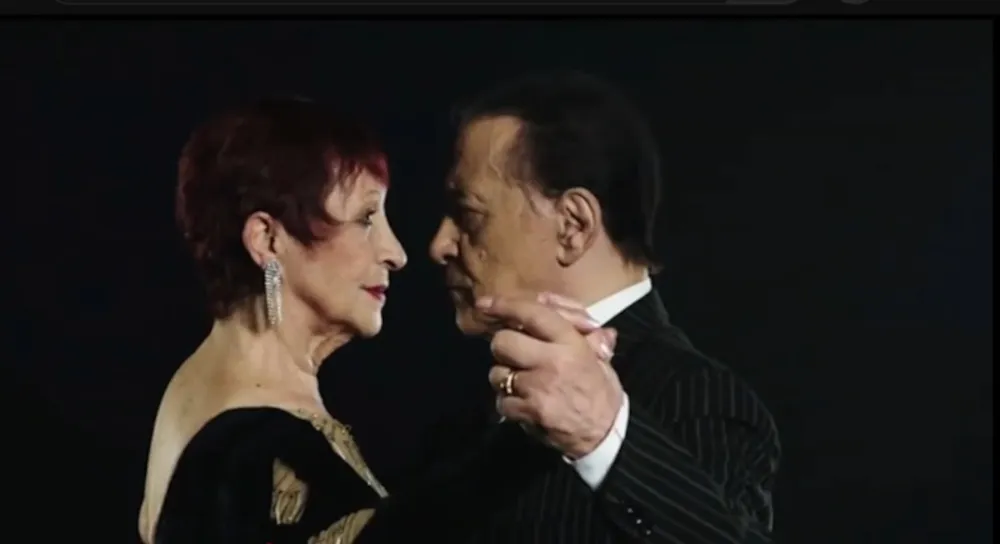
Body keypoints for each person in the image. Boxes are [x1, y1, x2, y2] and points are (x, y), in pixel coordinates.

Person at [137, 96, 613, 544]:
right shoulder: (250, 439)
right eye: (365, 217)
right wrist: (538, 432)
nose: (396, 253)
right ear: (267, 239)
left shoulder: (211, 394)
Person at [426, 71, 782, 543]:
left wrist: (605, 436)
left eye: (468, 214)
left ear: (573, 225)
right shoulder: (470, 414)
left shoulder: (702, 402)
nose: (439, 245)